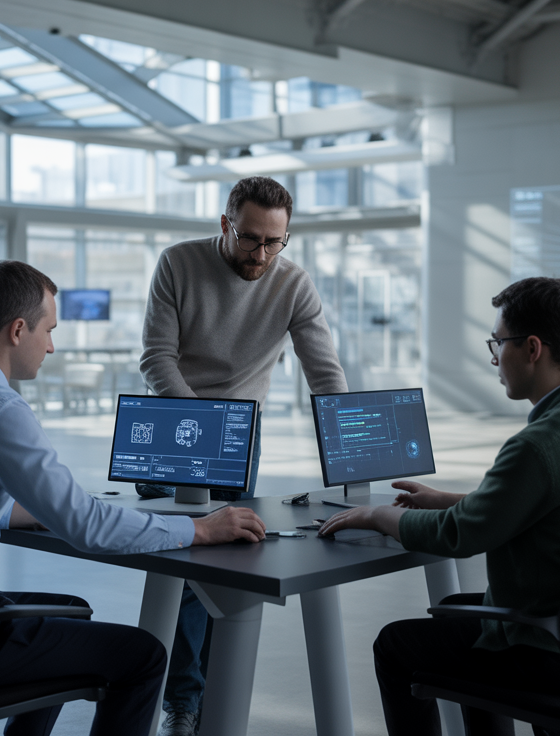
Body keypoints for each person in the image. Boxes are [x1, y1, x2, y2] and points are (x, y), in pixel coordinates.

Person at [0, 260, 266, 736]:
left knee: (66, 609)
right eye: (48, 330)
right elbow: (87, 527)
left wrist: (31, 513)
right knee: (142, 657)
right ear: (18, 330)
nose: (51, 346)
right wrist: (200, 527)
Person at [317, 277, 560, 736]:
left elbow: (461, 536)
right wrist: (444, 500)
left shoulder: (540, 443)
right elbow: (546, 507)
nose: (495, 357)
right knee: (454, 608)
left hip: (554, 651)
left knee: (395, 646)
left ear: (532, 348)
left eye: (499, 343)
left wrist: (379, 515)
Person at [139, 175, 348, 736]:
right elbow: (157, 359)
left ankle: (208, 698)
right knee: (184, 570)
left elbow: (323, 371)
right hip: (180, 429)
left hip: (241, 440)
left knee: (228, 570)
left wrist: (351, 445)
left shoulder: (293, 282)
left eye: (274, 243)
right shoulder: (178, 263)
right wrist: (203, 427)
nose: (262, 254)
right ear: (225, 223)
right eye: (251, 239)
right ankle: (183, 703)